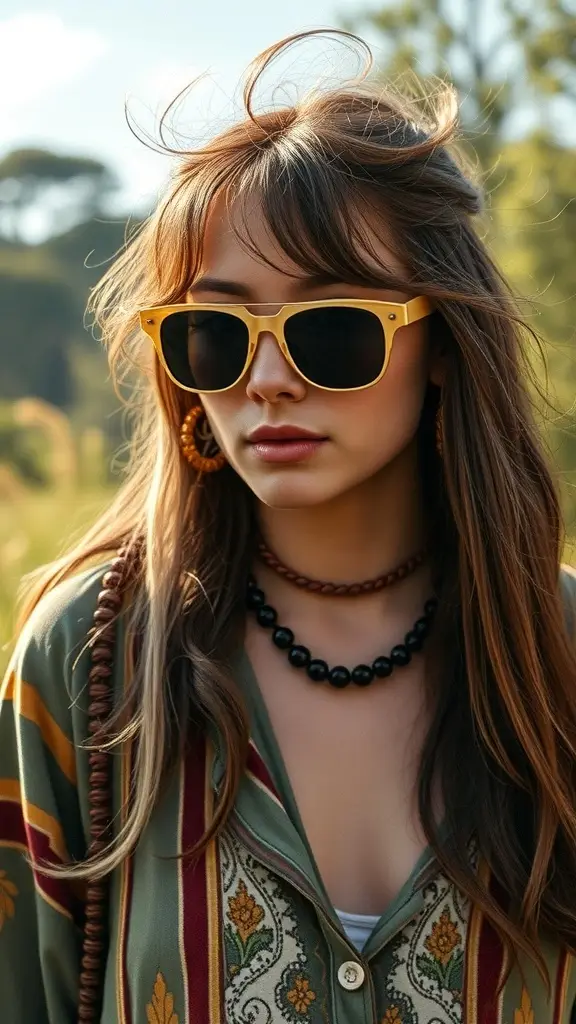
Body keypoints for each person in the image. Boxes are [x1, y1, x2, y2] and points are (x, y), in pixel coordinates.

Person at [1, 27, 576, 1024]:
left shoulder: (561, 658)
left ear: (442, 341)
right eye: (215, 333)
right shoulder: (89, 663)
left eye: (333, 327)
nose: (267, 379)